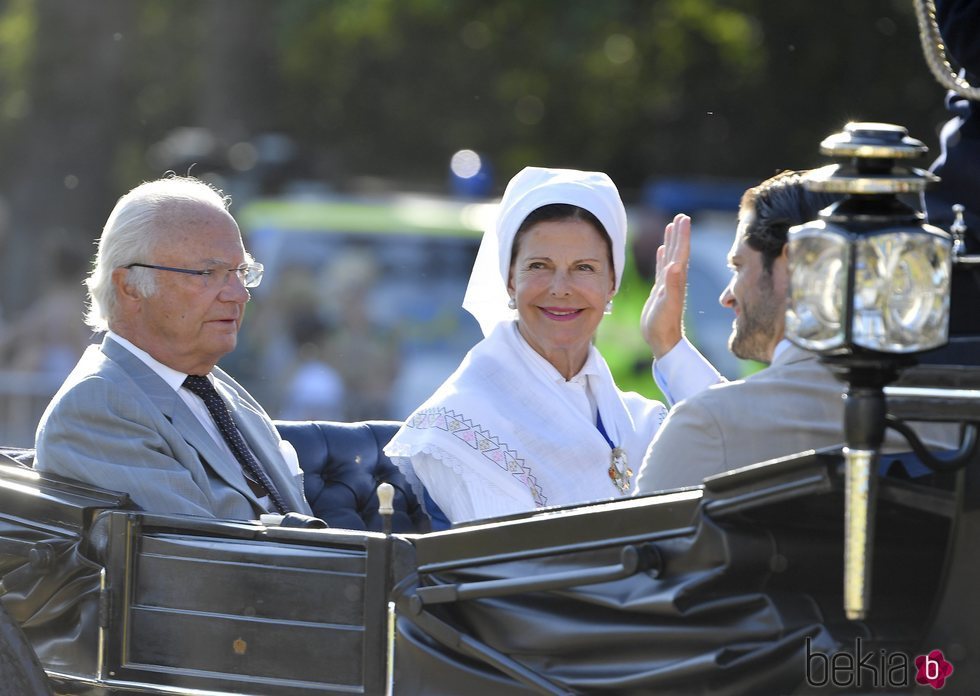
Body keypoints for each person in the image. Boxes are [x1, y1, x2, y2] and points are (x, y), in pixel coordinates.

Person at [384, 167, 717, 523]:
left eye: (584, 268)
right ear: (510, 279)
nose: (560, 287)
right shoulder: (462, 424)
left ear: (612, 283)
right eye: (539, 265)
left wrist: (669, 344)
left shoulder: (640, 421)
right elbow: (516, 566)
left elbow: (744, 462)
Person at [635, 170, 958, 493]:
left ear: (796, 266)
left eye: (738, 266)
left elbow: (631, 540)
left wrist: (673, 355)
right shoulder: (954, 419)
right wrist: (671, 349)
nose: (726, 295)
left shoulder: (706, 427)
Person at [34, 176, 313, 520]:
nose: (239, 294)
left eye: (241, 272)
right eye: (208, 273)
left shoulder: (216, 387)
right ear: (130, 287)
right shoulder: (96, 405)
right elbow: (207, 558)